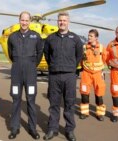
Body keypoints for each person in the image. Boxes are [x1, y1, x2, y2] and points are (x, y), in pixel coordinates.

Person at [43, 11, 83, 141]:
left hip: (69, 76)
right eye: (60, 20)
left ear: (68, 22)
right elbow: (47, 55)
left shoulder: (75, 38)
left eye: (64, 20)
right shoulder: (50, 38)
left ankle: (69, 130)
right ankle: (52, 129)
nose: (62, 22)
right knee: (53, 104)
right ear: (57, 22)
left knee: (69, 104)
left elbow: (79, 56)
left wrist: (70, 67)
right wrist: (54, 66)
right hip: (54, 76)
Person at [7, 11, 43, 140]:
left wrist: (32, 65)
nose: (24, 22)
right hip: (16, 72)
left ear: (30, 22)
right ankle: (15, 128)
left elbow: (40, 52)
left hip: (30, 73)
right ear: (19, 20)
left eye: (27, 20)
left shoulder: (36, 36)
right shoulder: (12, 37)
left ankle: (32, 129)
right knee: (16, 100)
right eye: (22, 20)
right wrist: (18, 62)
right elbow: (11, 54)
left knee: (31, 101)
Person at [79, 29, 107, 121]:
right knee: (84, 93)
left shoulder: (102, 48)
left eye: (91, 36)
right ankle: (84, 112)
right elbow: (81, 60)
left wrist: (101, 70)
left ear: (96, 37)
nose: (89, 37)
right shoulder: (84, 47)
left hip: (98, 74)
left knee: (99, 94)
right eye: (88, 36)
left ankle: (100, 113)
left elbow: (105, 59)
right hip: (86, 73)